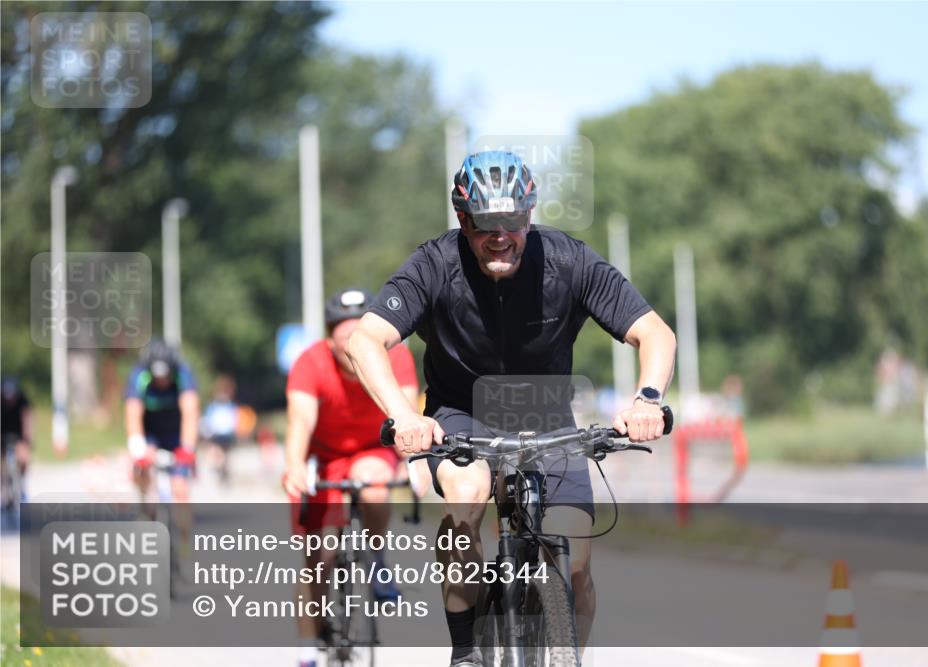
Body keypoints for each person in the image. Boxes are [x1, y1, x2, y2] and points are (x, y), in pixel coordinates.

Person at [347, 150, 677, 666]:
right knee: (468, 491)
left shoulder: (568, 260)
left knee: (575, 565)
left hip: (547, 420)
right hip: (459, 416)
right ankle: (465, 652)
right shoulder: (433, 264)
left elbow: (653, 332)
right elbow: (365, 340)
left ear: (530, 214)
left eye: (512, 221)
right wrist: (405, 415)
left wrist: (648, 398)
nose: (499, 235)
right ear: (462, 219)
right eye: (484, 224)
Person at [282, 288, 421, 667]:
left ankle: (375, 558)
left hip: (371, 449)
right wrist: (294, 464)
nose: (350, 348)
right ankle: (308, 648)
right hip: (323, 457)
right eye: (343, 339)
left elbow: (407, 411)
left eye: (358, 337)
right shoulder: (311, 363)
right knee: (319, 555)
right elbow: (301, 421)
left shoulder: (396, 356)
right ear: (330, 339)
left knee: (375, 488)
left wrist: (414, 464)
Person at [124, 338, 200, 509]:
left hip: (176, 433)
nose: (161, 381)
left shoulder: (183, 373)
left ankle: (185, 534)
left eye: (165, 376)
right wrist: (138, 448)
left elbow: (190, 412)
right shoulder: (139, 375)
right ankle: (145, 506)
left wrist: (187, 448)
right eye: (157, 376)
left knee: (180, 488)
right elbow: (132, 413)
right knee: (142, 470)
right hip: (150, 431)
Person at [200, 375, 239, 484]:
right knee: (217, 451)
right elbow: (208, 420)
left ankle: (223, 469)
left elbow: (235, 419)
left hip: (226, 434)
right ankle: (220, 467)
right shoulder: (214, 406)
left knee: (223, 453)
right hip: (217, 434)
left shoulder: (230, 406)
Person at [1, 376, 32, 508]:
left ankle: (22, 486)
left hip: (19, 434)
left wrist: (27, 439)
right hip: (2, 433)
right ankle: (3, 490)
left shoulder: (22, 400)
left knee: (23, 457)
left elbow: (27, 419)